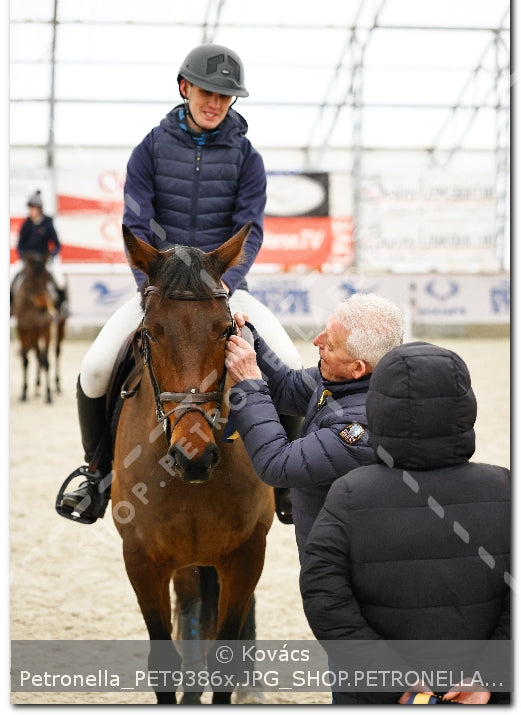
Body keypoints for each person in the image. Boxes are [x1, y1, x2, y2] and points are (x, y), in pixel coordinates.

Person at [57, 43, 302, 522]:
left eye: (225, 97)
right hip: (160, 292)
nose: (215, 103)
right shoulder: (149, 149)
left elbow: (248, 230)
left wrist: (221, 288)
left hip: (223, 290)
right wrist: (153, 287)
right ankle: (97, 474)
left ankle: (288, 482)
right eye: (207, 92)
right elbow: (137, 226)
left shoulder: (248, 158)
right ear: (185, 87)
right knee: (94, 368)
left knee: (289, 361)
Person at [299, 341, 511, 705]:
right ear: (464, 406)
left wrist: (397, 686)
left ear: (378, 407)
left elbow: (324, 596)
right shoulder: (506, 487)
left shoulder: (349, 494)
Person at [224, 292, 405, 563]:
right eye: (324, 332)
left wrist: (250, 384)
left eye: (330, 344)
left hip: (347, 566)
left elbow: (277, 465)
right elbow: (285, 387)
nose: (316, 342)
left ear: (358, 367)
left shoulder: (360, 429)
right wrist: (252, 339)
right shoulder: (341, 381)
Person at [10, 189, 68, 316]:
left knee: (60, 279)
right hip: (29, 261)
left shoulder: (48, 223)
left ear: (39, 209)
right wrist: (23, 257)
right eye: (30, 208)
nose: (31, 211)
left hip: (43, 260)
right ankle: (9, 307)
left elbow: (57, 244)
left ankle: (62, 306)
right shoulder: (26, 224)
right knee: (11, 276)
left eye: (33, 208)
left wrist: (51, 256)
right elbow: (20, 245)